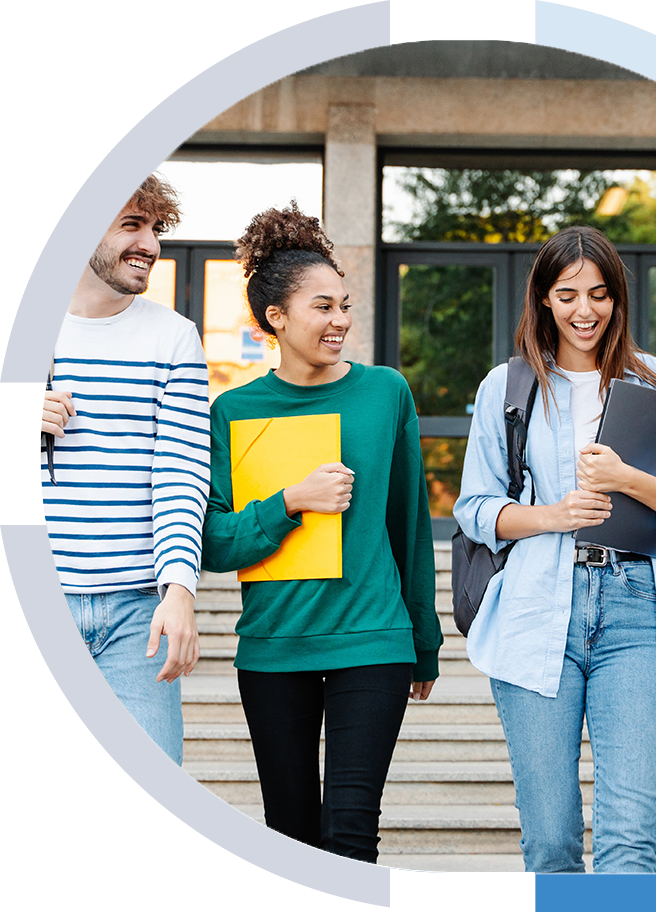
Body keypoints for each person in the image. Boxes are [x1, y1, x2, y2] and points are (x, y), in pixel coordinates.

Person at [453, 225, 656, 873]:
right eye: (569, 294)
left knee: (628, 839)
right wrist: (552, 514)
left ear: (618, 299)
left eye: (600, 294)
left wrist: (629, 480)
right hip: (534, 607)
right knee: (549, 840)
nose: (586, 310)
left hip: (638, 610)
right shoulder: (509, 387)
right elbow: (473, 509)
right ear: (544, 299)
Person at [201, 202, 442, 863]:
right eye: (322, 307)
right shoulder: (233, 410)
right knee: (290, 835)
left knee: (350, 836)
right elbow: (214, 543)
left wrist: (424, 641)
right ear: (275, 317)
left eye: (344, 305)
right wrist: (289, 502)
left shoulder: (384, 393)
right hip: (274, 647)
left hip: (372, 640)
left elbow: (409, 526)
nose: (340, 321)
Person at [40, 173, 210, 766]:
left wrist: (179, 591)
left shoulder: (173, 338)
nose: (150, 245)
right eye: (130, 226)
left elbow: (182, 473)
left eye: (154, 229)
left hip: (137, 613)